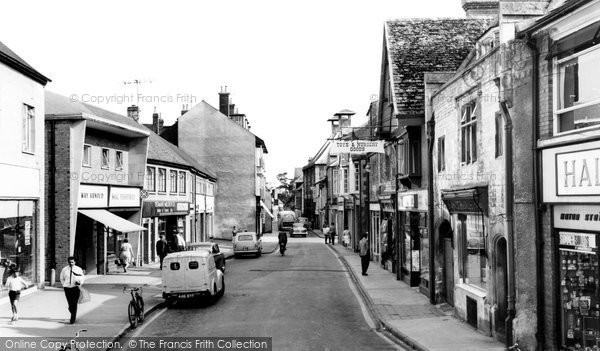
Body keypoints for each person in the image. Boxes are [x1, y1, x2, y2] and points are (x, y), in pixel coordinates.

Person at [60, 256, 84, 324]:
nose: (71, 263)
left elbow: (82, 278)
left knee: (74, 303)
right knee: (70, 304)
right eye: (70, 262)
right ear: (68, 262)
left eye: (72, 262)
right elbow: (61, 278)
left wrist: (80, 283)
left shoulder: (78, 269)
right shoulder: (64, 269)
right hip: (67, 288)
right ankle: (71, 310)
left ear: (75, 262)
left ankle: (72, 318)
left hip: (75, 288)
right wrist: (64, 284)